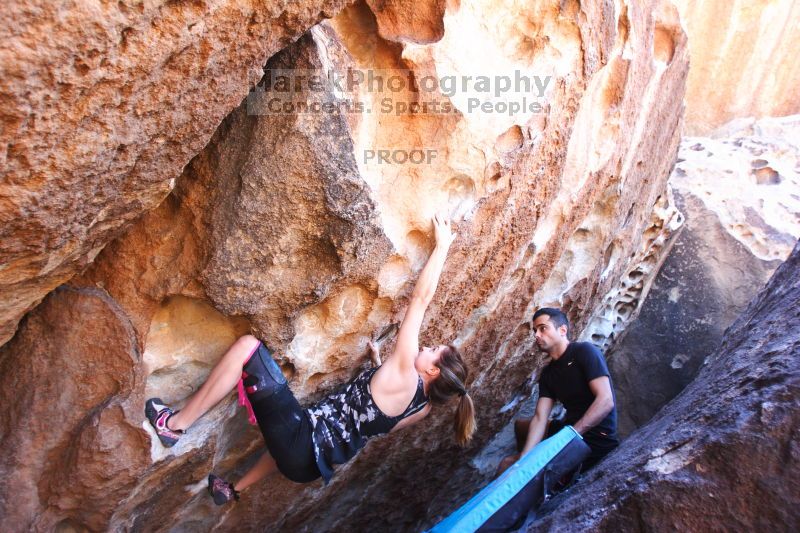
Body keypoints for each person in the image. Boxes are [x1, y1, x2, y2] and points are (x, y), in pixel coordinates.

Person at [144, 214, 476, 504]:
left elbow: (420, 300)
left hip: (301, 441)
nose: (427, 347)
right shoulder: (423, 407)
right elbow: (378, 417)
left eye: (433, 351)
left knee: (247, 347)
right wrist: (376, 367)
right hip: (309, 467)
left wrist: (443, 247)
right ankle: (233, 489)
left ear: (433, 369)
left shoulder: (406, 373)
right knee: (292, 438)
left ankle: (173, 425)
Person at [497, 307, 618, 478]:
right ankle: (526, 464)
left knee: (506, 464)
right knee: (519, 432)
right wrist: (524, 458)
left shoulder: (584, 352)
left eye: (543, 328)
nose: (536, 335)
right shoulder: (548, 374)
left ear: (562, 330)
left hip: (594, 438)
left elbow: (606, 401)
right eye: (535, 330)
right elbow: (540, 417)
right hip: (568, 428)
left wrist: (570, 436)